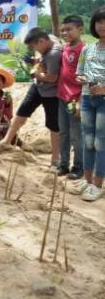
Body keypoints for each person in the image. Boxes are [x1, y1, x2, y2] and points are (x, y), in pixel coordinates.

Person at [0, 28, 62, 169]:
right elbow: (41, 60)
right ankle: (6, 141)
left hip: (51, 93)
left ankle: (55, 158)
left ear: (42, 41)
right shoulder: (49, 39)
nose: (33, 50)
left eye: (34, 47)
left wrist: (36, 74)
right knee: (22, 112)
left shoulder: (54, 54)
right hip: (37, 87)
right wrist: (32, 61)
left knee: (53, 125)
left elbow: (53, 78)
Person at [68, 7, 105, 201]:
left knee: (101, 143)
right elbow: (79, 72)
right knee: (88, 141)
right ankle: (87, 180)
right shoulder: (87, 49)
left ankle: (98, 184)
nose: (102, 26)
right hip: (87, 99)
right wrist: (82, 79)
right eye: (99, 22)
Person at [57, 15, 85, 179]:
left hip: (75, 99)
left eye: (69, 29)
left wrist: (81, 101)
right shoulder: (64, 48)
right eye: (62, 30)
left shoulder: (84, 51)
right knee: (63, 132)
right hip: (62, 96)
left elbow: (87, 79)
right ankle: (63, 165)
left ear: (80, 29)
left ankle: (78, 168)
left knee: (76, 135)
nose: (65, 33)